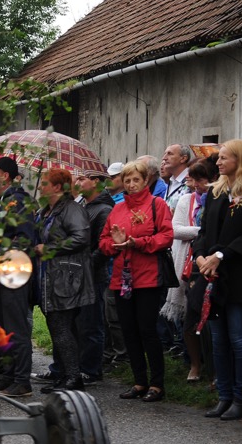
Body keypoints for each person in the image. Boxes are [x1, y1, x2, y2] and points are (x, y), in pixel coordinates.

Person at [99, 160, 175, 402]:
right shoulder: (117, 209)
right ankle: (139, 381)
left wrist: (138, 243)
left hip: (148, 277)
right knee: (129, 331)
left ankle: (157, 383)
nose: (131, 184)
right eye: (127, 180)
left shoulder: (157, 204)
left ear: (145, 181)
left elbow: (167, 236)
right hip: (122, 277)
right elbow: (103, 242)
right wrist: (115, 245)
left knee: (147, 330)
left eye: (136, 180)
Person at [194, 139, 242, 420]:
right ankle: (224, 396)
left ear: (240, 160)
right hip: (212, 276)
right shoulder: (215, 193)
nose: (218, 162)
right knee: (218, 340)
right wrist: (200, 256)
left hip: (240, 278)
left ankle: (241, 398)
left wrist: (222, 255)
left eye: (224, 158)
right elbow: (204, 231)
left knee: (239, 339)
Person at [0, 156, 36, 397]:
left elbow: (24, 239)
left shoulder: (18, 201)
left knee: (16, 326)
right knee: (3, 326)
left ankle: (22, 380)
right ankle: (10, 374)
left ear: (4, 176)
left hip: (13, 271)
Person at [34, 169, 94, 392]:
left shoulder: (71, 209)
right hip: (52, 276)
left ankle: (73, 378)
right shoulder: (47, 210)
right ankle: (64, 375)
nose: (40, 187)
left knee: (60, 327)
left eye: (45, 183)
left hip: (67, 278)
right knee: (59, 327)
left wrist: (49, 248)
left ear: (57, 187)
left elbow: (81, 237)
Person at [164, 159, 218, 383]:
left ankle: (215, 369)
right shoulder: (187, 199)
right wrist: (202, 231)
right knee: (189, 317)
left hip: (212, 263)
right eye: (193, 180)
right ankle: (195, 364)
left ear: (214, 179)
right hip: (189, 262)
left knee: (210, 319)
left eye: (201, 180)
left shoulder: (218, 198)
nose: (196, 185)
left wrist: (200, 233)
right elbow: (175, 229)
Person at [75, 171, 114, 383]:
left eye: (82, 179)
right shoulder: (84, 206)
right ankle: (77, 366)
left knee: (91, 324)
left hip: (93, 275)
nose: (77, 182)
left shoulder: (104, 210)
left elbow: (104, 247)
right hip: (77, 274)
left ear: (96, 181)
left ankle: (91, 369)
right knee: (78, 323)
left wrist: (86, 265)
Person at [160, 144, 193, 212]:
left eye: (170, 154)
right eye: (165, 154)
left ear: (183, 158)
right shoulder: (171, 181)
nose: (164, 158)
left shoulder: (191, 180)